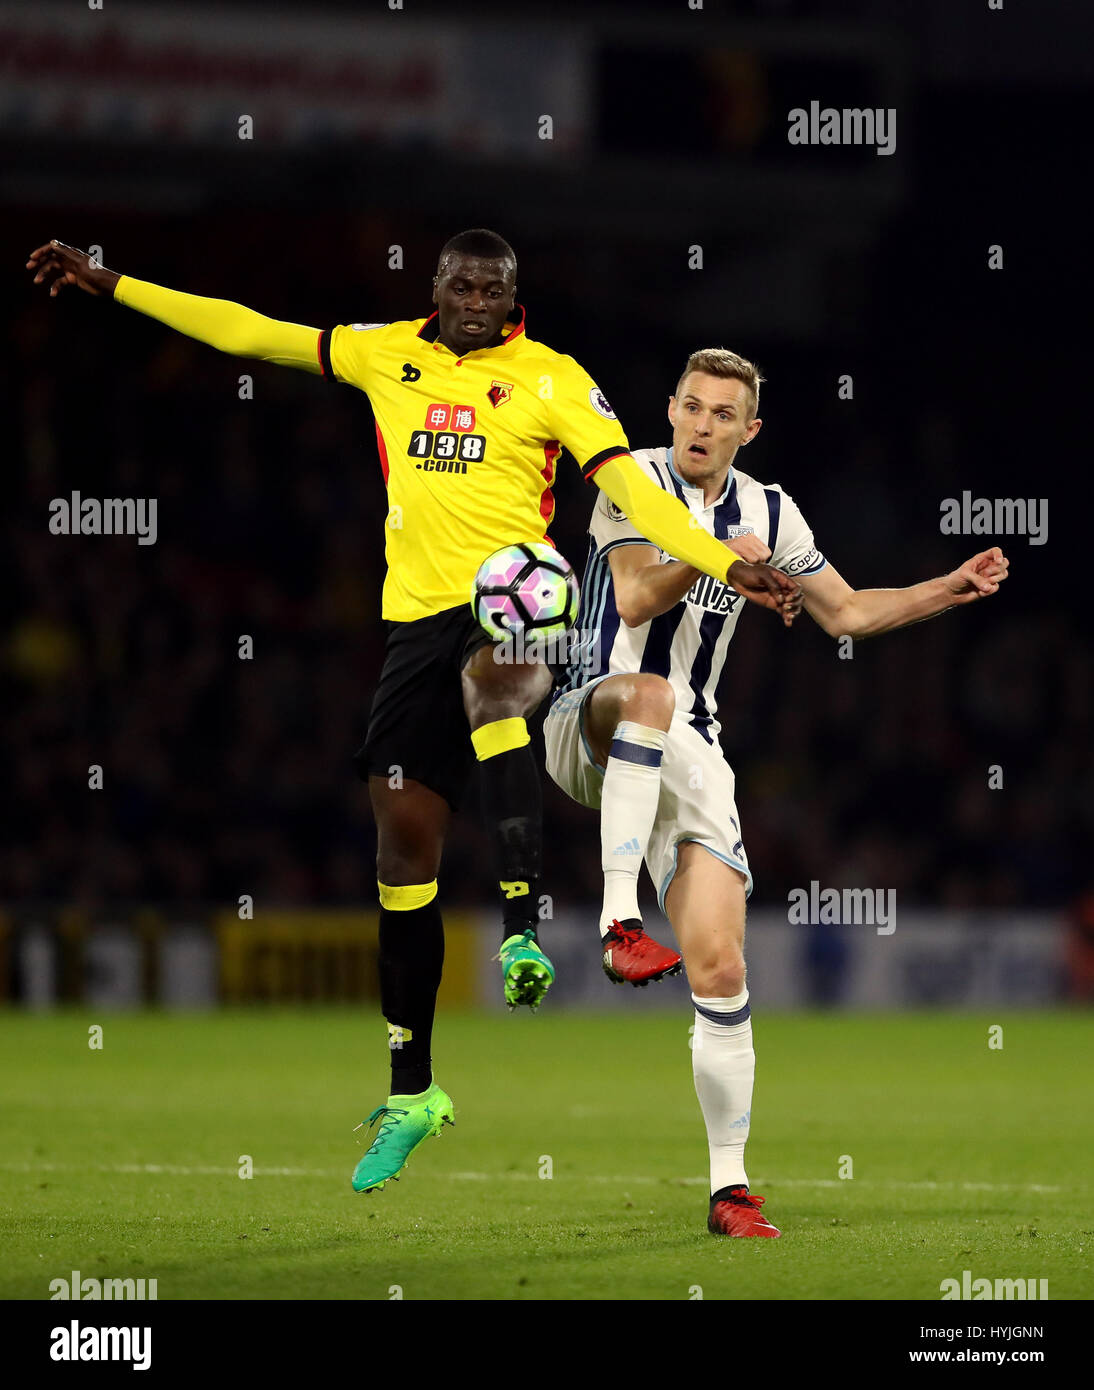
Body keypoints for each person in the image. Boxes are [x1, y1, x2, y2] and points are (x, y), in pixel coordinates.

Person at [26, 235, 802, 1195]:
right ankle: (413, 1091)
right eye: (462, 285)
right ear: (434, 288)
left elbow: (639, 495)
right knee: (400, 844)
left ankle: (524, 923)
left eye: (495, 288)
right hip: (410, 629)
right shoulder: (381, 351)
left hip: (517, 604)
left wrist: (729, 561)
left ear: (516, 296)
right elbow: (252, 334)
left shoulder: (553, 378)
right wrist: (113, 285)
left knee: (497, 682)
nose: (477, 300)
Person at [543, 346, 1009, 1236]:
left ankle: (729, 1190)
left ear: (748, 431)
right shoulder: (628, 478)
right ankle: (616, 922)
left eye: (724, 415)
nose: (702, 425)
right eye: (691, 407)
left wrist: (949, 588)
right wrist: (719, 555)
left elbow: (849, 613)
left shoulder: (771, 508)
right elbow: (636, 598)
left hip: (693, 757)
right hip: (591, 718)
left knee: (720, 965)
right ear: (670, 410)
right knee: (650, 691)